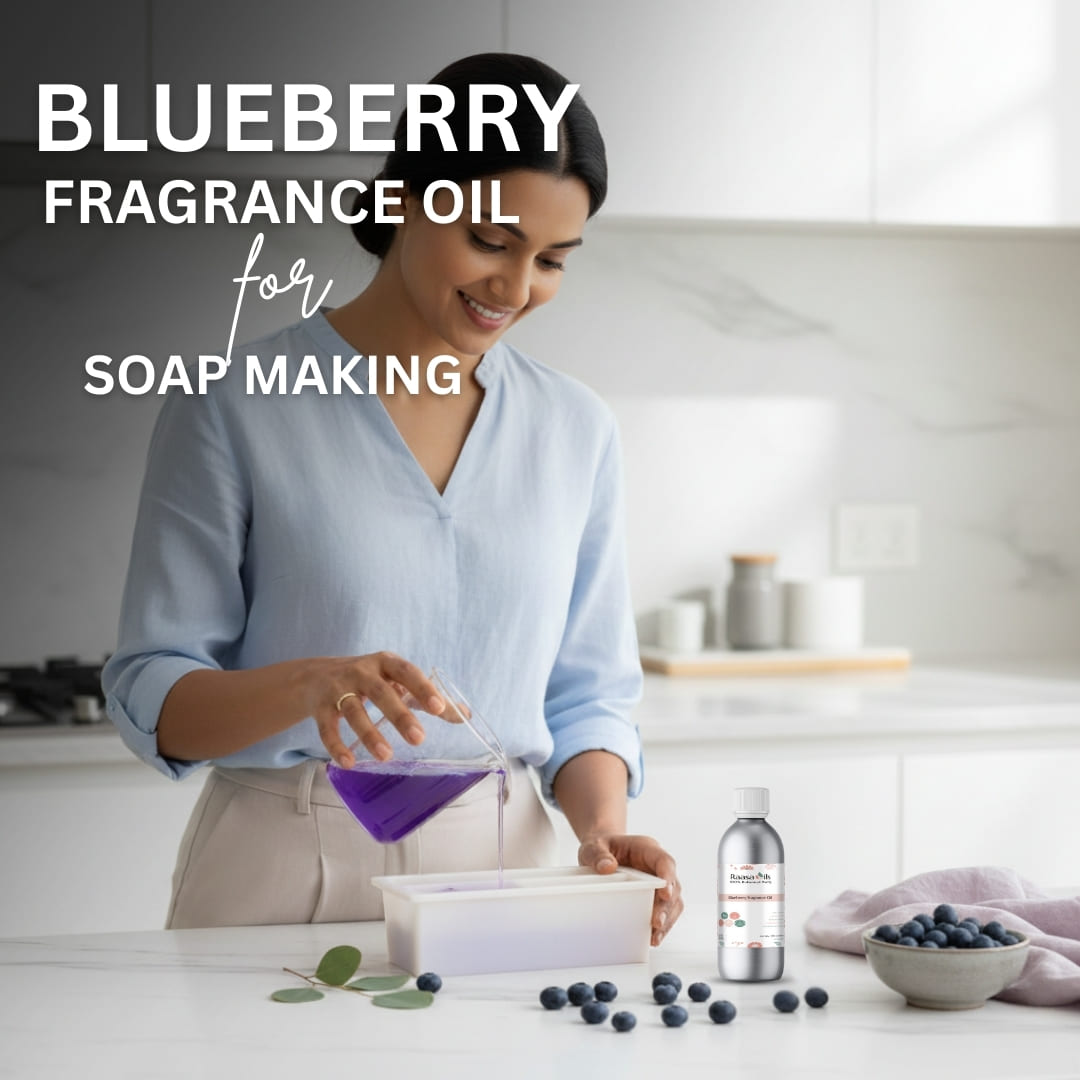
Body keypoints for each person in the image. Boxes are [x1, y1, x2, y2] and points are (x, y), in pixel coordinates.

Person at [102, 52, 684, 941]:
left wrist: (603, 833)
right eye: (490, 241)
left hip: (506, 864)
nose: (516, 289)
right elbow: (155, 687)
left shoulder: (575, 429)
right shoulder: (234, 409)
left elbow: (587, 695)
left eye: (553, 260)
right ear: (408, 197)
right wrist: (309, 682)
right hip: (281, 862)